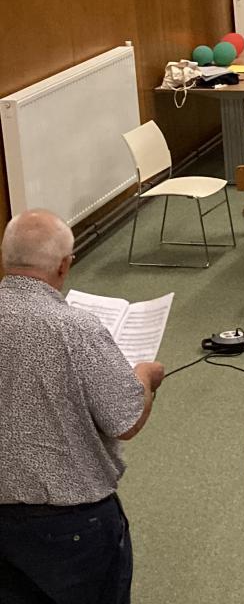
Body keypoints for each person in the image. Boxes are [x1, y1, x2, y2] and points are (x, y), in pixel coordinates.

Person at [0, 209, 164, 604]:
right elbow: (126, 420)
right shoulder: (75, 328)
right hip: (70, 523)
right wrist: (145, 377)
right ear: (63, 265)